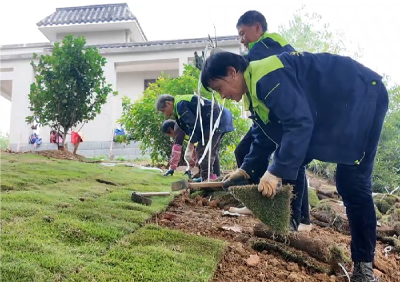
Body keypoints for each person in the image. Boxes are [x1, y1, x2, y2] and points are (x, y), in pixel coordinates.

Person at [201, 50, 388, 282]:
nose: (223, 96)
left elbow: (299, 123)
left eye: (219, 89)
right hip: (334, 110)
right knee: (291, 157)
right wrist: (247, 167)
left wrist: (275, 171)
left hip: (363, 95)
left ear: (231, 73)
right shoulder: (252, 91)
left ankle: (364, 269)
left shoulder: (267, 77)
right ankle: (289, 226)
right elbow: (266, 136)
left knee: (352, 183)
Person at [224, 10, 311, 231]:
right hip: (273, 115)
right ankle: (261, 202)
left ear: (258, 28)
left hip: (292, 113)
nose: (241, 40)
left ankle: (298, 219)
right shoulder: (258, 54)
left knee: (294, 160)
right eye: (238, 36)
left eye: (243, 34)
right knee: (245, 149)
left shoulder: (266, 48)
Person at [156, 94, 234, 181]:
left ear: (169, 103)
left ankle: (206, 179)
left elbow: (193, 125)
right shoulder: (179, 105)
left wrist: (190, 145)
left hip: (216, 119)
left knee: (202, 150)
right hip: (221, 118)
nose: (165, 114)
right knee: (210, 150)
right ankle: (211, 177)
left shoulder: (180, 105)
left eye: (163, 111)